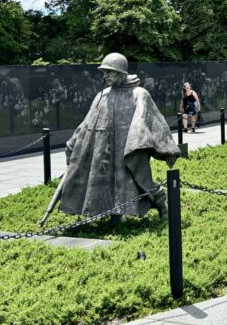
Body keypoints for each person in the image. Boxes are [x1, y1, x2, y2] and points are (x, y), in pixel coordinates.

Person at [58, 53, 179, 221]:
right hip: (107, 149)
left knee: (140, 181)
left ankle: (162, 205)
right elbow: (87, 124)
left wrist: (168, 150)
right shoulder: (104, 95)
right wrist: (73, 144)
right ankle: (116, 216)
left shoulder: (139, 94)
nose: (105, 76)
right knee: (109, 182)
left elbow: (155, 122)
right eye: (104, 72)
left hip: (130, 148)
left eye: (110, 72)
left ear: (121, 73)